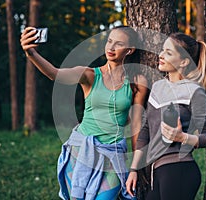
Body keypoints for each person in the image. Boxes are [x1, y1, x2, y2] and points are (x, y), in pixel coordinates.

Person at [20, 25, 148, 200]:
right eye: (109, 41)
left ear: (130, 50)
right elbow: (55, 74)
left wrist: (134, 168)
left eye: (118, 44)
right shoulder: (90, 75)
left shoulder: (137, 82)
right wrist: (31, 53)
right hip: (80, 151)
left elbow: (136, 126)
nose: (110, 47)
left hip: (113, 154)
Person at [126, 33, 206, 200]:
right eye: (162, 50)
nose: (160, 55)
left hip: (179, 169)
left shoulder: (195, 91)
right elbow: (145, 131)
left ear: (184, 61)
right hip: (156, 171)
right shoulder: (158, 87)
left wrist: (183, 138)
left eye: (168, 52)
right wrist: (133, 170)